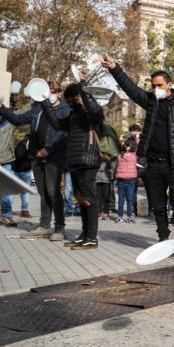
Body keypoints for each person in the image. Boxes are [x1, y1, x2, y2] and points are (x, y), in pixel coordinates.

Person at [101, 55, 174, 259]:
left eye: (159, 85)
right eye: (153, 86)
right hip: (152, 164)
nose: (155, 89)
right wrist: (114, 68)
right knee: (157, 205)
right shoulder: (151, 101)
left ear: (169, 84)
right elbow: (130, 88)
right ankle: (163, 240)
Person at [0, 81, 69, 239]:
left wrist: (49, 149)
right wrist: (1, 107)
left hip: (54, 157)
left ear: (59, 93)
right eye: (48, 92)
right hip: (36, 156)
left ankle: (60, 228)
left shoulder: (65, 110)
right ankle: (44, 226)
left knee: (53, 191)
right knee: (43, 192)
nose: (50, 95)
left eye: (54, 92)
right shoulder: (38, 109)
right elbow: (18, 120)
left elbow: (66, 135)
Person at [41, 78, 104, 249]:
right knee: (82, 200)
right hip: (76, 162)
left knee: (90, 200)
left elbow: (96, 111)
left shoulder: (92, 113)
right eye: (68, 101)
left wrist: (84, 89)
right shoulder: (74, 115)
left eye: (74, 99)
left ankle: (92, 238)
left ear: (82, 97)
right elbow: (56, 124)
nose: (71, 103)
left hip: (88, 161)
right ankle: (84, 235)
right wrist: (45, 103)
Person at [115, 141, 137, 223]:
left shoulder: (134, 155)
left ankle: (129, 216)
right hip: (121, 180)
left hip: (131, 180)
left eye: (129, 151)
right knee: (121, 199)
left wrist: (136, 137)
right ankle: (120, 216)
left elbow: (139, 146)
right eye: (125, 150)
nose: (127, 152)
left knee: (129, 199)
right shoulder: (120, 155)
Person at [12, 135, 33, 218]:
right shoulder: (22, 145)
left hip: (25, 171)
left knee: (25, 191)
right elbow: (19, 158)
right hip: (17, 171)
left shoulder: (27, 144)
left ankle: (24, 210)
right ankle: (8, 210)